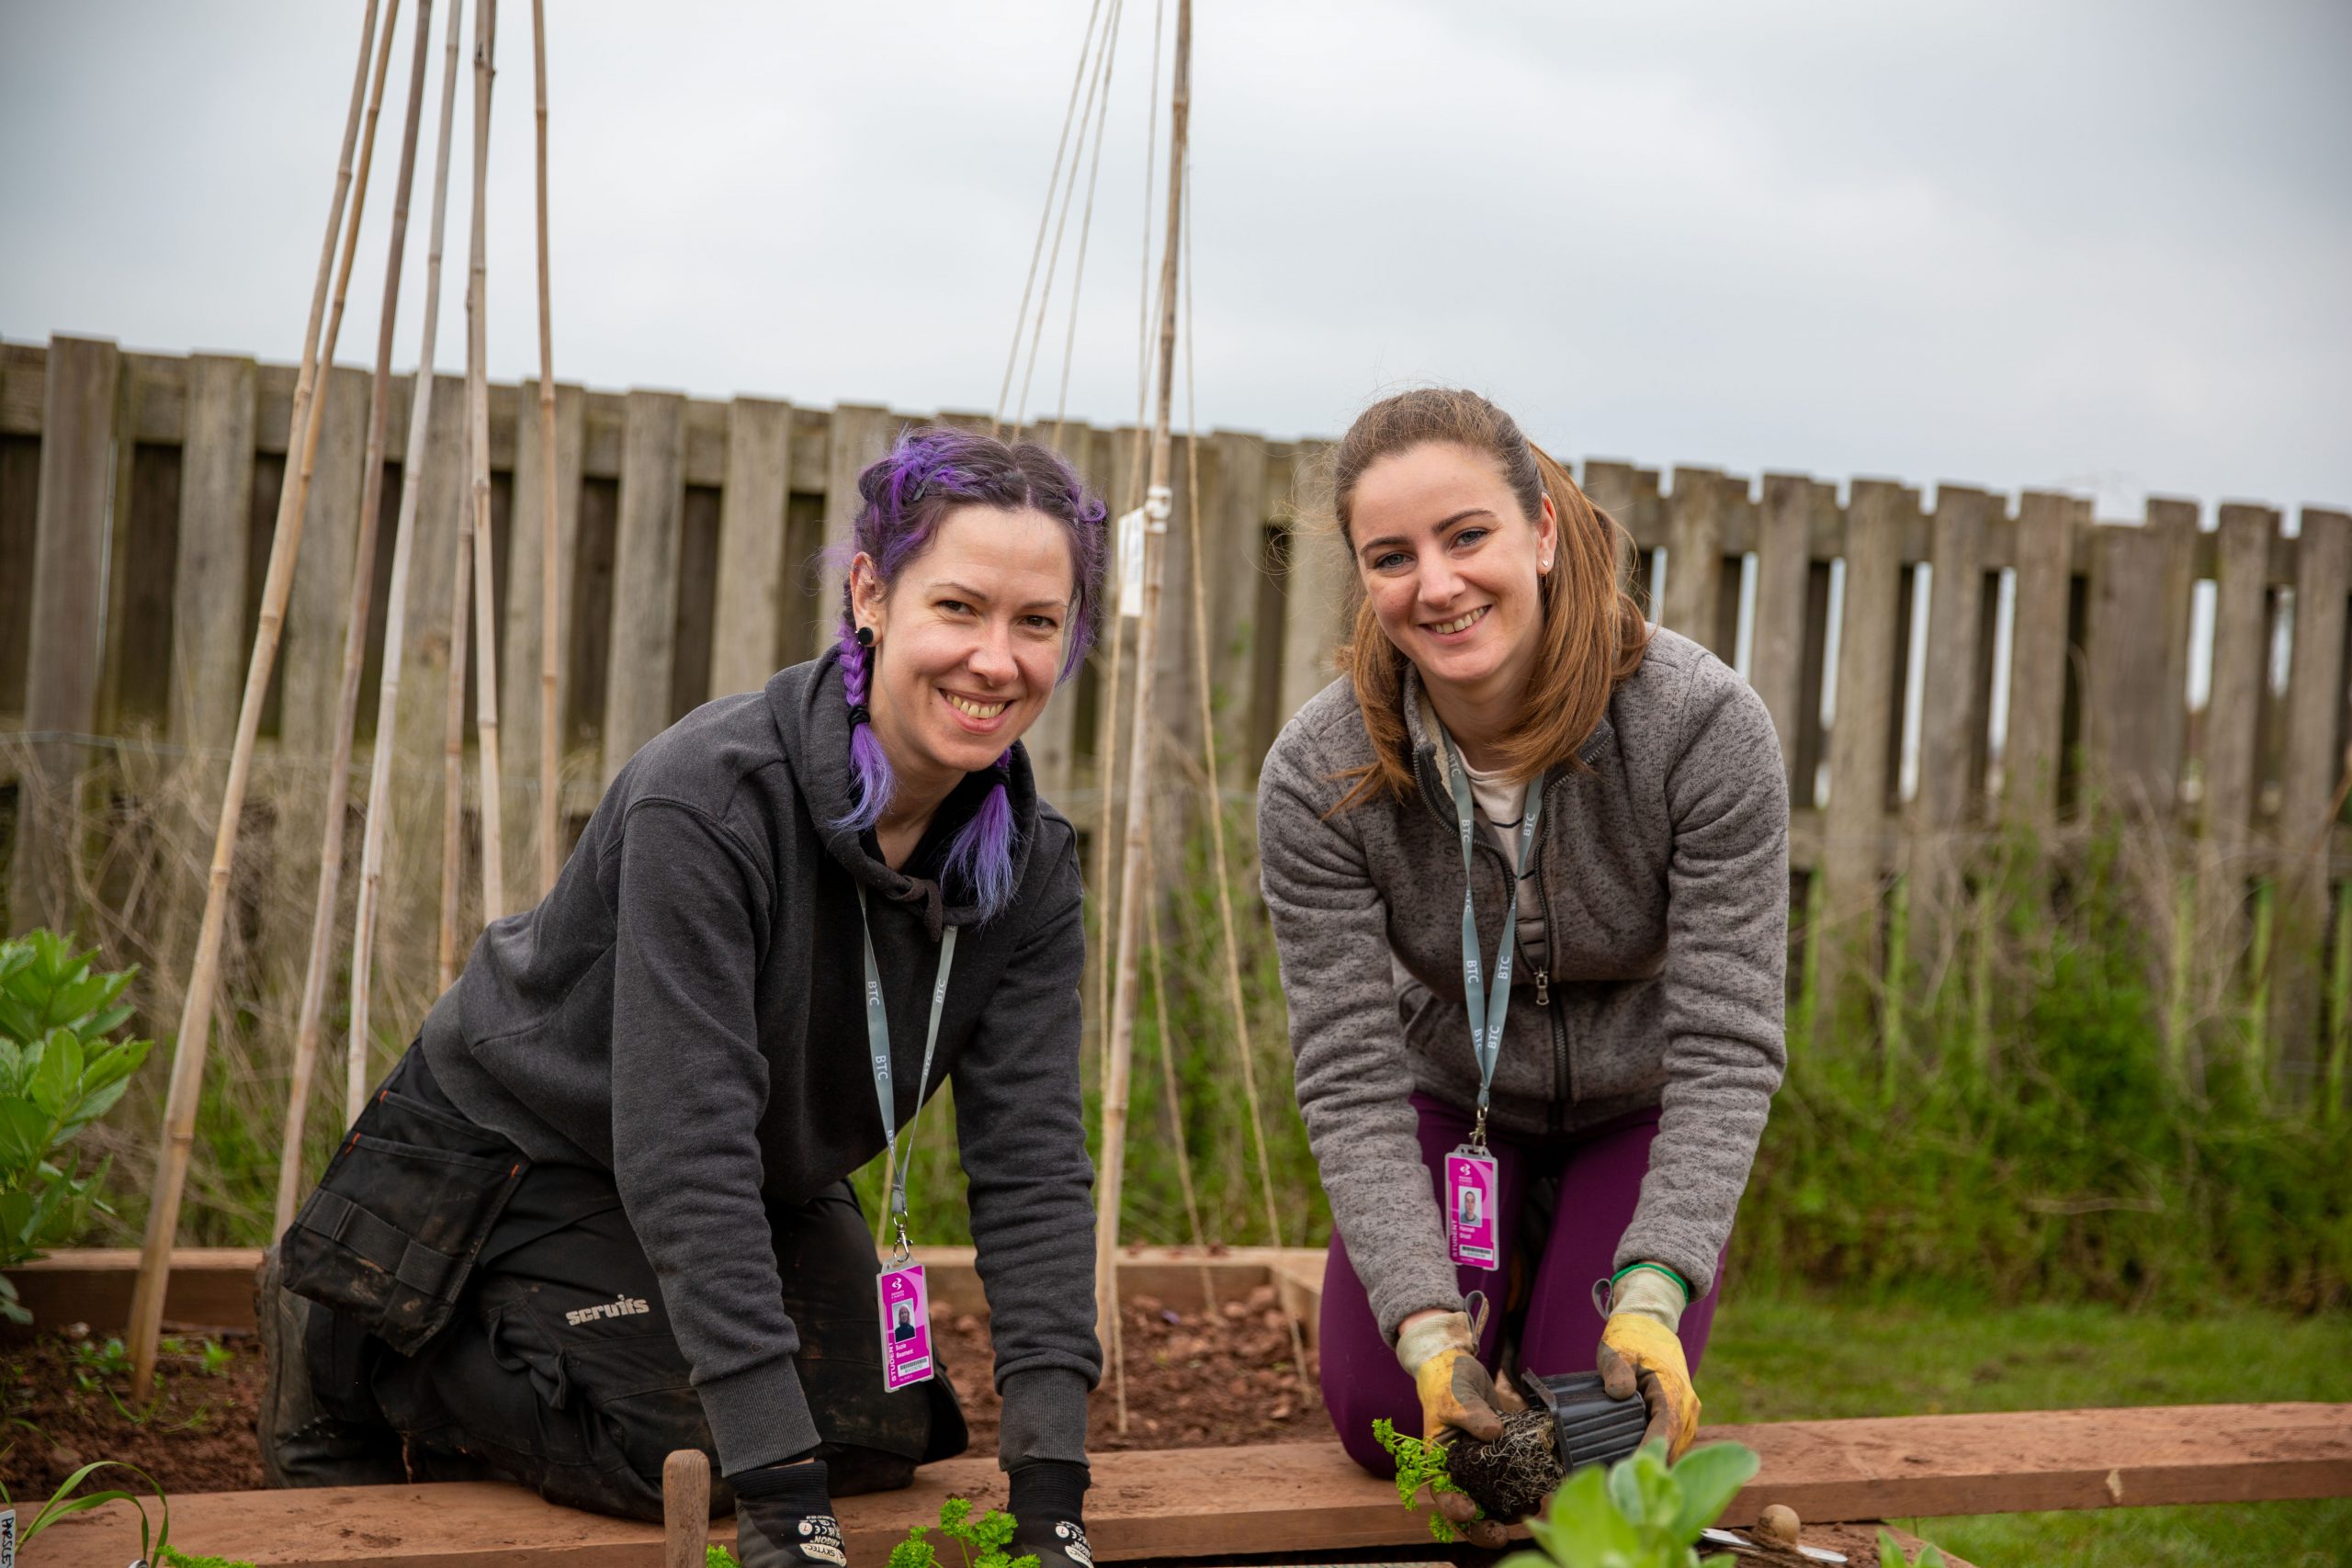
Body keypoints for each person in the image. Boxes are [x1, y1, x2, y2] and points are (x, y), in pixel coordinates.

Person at [260, 426, 1109, 1568]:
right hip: (524, 1154)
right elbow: (682, 1138)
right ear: (871, 593)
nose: (995, 660)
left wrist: (1053, 1494)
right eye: (958, 608)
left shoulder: (1030, 865)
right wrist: (782, 1513)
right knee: (689, 1448)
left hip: (755, 1169)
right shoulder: (711, 801)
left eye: (1036, 623)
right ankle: (360, 1324)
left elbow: (1034, 1164)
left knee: (888, 1429)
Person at [1257, 389, 1788, 1540]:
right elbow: (1349, 1075)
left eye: (1466, 536)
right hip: (1453, 1100)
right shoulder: (1320, 773)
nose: (1435, 586)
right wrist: (1429, 1332)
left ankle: (1586, 1269)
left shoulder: (1698, 726)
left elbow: (1726, 1043)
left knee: (1589, 1425)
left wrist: (1653, 1287)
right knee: (1380, 1421)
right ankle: (1484, 1289)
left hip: (1633, 1110)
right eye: (1389, 557)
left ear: (1541, 529)